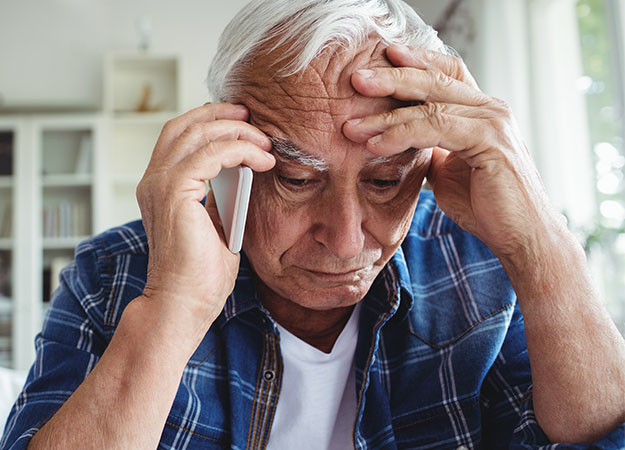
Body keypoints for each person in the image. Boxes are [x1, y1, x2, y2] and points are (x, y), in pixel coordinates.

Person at [2, 0, 625, 448]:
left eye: (385, 182)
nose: (347, 239)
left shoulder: (480, 258)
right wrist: (174, 305)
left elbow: (595, 436)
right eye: (297, 180)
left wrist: (539, 243)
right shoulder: (115, 272)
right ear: (228, 157)